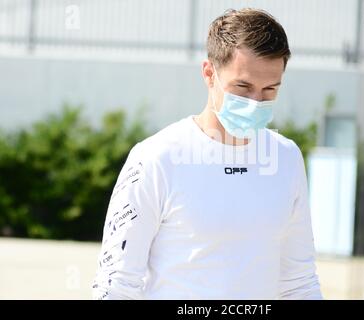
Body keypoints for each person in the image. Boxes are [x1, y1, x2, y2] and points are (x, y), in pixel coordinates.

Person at [92, 8, 322, 300]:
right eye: (243, 87)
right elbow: (116, 284)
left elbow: (299, 283)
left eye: (269, 90)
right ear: (209, 74)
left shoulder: (286, 159)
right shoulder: (156, 158)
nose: (256, 102)